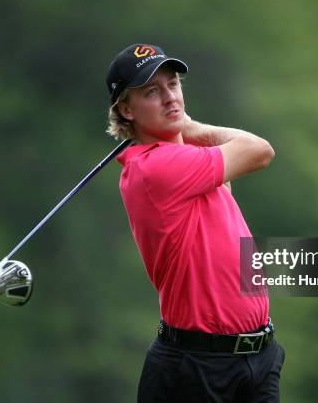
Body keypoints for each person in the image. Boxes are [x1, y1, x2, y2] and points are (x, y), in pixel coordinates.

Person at [106, 43, 284, 402]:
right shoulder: (155, 168)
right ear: (126, 109)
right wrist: (190, 125)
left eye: (173, 85)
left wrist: (183, 130)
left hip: (257, 359)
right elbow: (259, 150)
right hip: (197, 368)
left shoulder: (185, 158)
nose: (170, 97)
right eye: (152, 92)